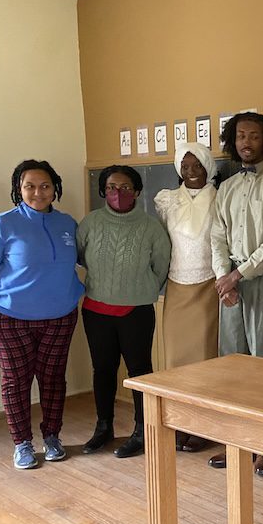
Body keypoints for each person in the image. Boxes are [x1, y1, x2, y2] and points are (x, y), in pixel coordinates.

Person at [0, 159, 83, 469]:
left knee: (53, 379)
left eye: (45, 186)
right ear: (19, 189)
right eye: (29, 186)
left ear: (55, 189)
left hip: (60, 317)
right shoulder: (0, 225)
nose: (37, 192)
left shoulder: (68, 224)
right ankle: (22, 444)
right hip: (8, 318)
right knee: (16, 381)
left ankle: (52, 437)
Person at [208, 112, 263, 475]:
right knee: (232, 366)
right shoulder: (226, 187)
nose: (247, 142)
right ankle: (237, 444)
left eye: (254, 136)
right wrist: (222, 277)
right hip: (229, 283)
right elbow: (217, 236)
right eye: (241, 135)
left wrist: (238, 274)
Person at [78, 165, 171, 458]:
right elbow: (80, 257)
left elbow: (161, 266)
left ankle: (143, 430)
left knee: (140, 372)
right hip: (96, 310)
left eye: (126, 187)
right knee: (103, 369)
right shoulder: (90, 223)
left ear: (138, 191)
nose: (118, 193)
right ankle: (103, 427)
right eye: (111, 188)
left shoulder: (151, 227)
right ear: (103, 191)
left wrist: (138, 288)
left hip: (136, 310)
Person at [155, 142, 218, 453]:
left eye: (197, 166)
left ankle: (204, 426)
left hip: (209, 284)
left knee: (205, 361)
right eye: (185, 166)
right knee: (175, 362)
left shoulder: (219, 198)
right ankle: (179, 423)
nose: (191, 172)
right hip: (176, 286)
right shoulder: (167, 200)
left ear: (209, 167)